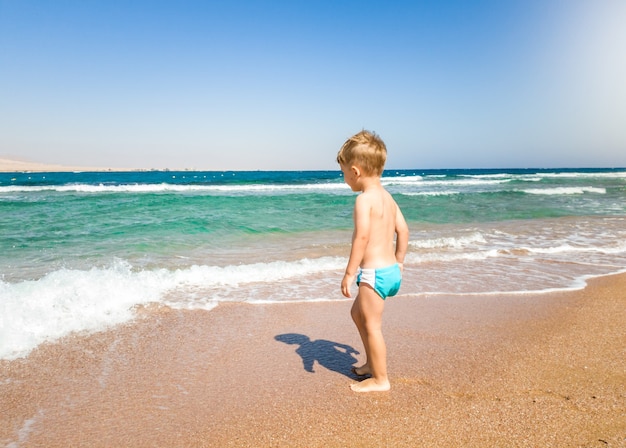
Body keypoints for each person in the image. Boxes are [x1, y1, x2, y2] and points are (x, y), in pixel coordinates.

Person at [337, 130, 409, 392]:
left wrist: (349, 272)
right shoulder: (388, 198)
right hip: (390, 271)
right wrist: (399, 262)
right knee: (357, 313)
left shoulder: (363, 200)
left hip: (374, 274)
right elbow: (404, 230)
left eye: (344, 173)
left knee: (372, 326)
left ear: (355, 171)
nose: (344, 179)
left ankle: (381, 379)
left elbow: (362, 238)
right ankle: (370, 364)